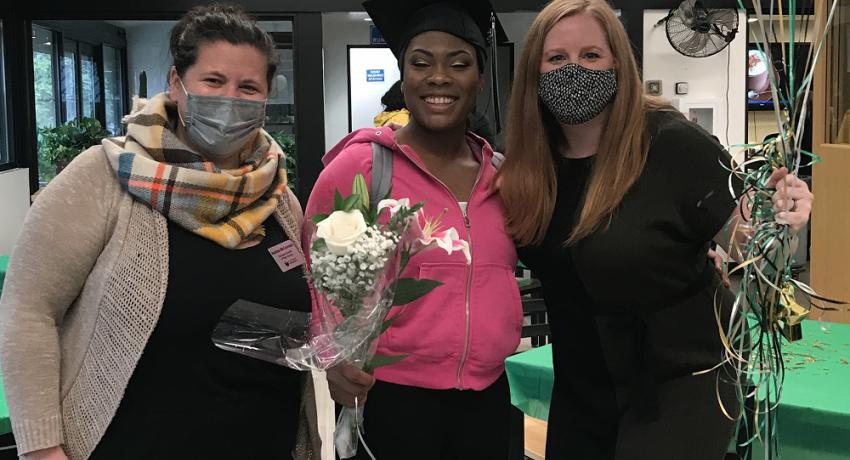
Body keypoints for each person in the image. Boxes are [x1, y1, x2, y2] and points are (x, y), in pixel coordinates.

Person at [0, 5, 319, 460]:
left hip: (263, 438)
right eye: (213, 81)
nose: (230, 98)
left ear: (266, 97)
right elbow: (28, 311)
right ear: (176, 82)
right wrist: (41, 448)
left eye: (248, 87)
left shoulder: (278, 198)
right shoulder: (104, 175)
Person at [497, 1, 814, 459]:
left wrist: (784, 221)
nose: (574, 70)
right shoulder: (529, 164)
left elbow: (748, 246)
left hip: (682, 378)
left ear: (619, 65)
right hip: (584, 382)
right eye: (557, 58)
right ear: (535, 71)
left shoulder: (672, 144)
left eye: (591, 56)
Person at [304, 1, 521, 458]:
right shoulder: (361, 168)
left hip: (489, 397)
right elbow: (318, 276)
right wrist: (332, 358)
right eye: (421, 63)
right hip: (394, 398)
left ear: (480, 80)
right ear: (404, 77)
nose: (438, 77)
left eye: (459, 64)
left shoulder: (502, 178)